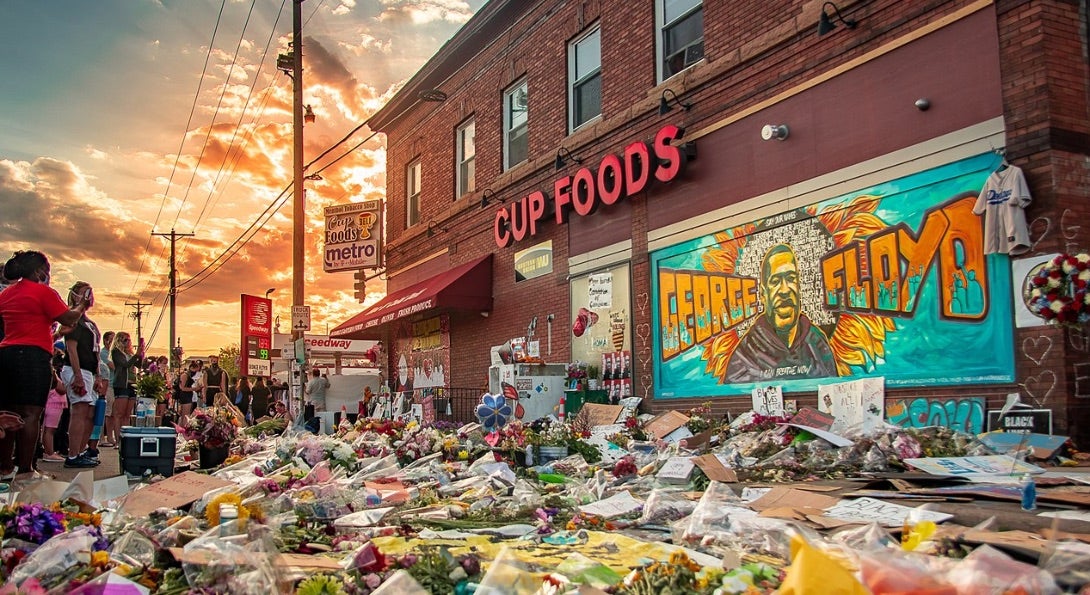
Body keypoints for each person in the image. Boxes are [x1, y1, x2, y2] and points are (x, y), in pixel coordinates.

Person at [0, 251, 93, 481]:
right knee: (31, 414)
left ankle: (4, 468)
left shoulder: (7, 294)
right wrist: (81, 305)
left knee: (8, 413)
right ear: (39, 271)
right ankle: (25, 470)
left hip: (6, 353)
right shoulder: (44, 292)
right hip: (33, 356)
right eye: (47, 270)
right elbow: (69, 318)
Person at [725, 244, 837, 383]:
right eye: (775, 281)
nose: (784, 290)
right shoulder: (744, 356)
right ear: (763, 295)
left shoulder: (817, 344)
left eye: (790, 278)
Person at [59, 281, 104, 468]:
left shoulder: (89, 323)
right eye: (86, 293)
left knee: (90, 413)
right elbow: (71, 348)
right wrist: (77, 375)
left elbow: (95, 350)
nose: (90, 297)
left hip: (90, 371)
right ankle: (72, 454)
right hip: (77, 369)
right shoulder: (73, 318)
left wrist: (98, 374)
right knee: (79, 410)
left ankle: (82, 450)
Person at [110, 332, 142, 431]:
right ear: (119, 341)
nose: (128, 342)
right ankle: (118, 438)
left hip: (132, 384)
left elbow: (138, 365)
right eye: (125, 340)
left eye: (129, 340)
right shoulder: (116, 352)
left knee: (127, 414)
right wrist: (136, 355)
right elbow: (125, 364)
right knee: (119, 413)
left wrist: (140, 355)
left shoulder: (130, 353)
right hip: (122, 384)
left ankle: (125, 438)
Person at [40, 374, 68, 463]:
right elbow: (62, 390)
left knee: (46, 430)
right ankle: (49, 453)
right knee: (50, 430)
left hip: (49, 403)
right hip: (54, 404)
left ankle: (47, 451)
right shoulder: (53, 376)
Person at [98, 331, 118, 447]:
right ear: (105, 340)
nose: (112, 342)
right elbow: (114, 367)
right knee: (105, 412)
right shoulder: (104, 353)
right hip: (107, 385)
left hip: (114, 385)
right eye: (110, 340)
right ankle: (101, 438)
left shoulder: (113, 353)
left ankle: (110, 436)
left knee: (111, 414)